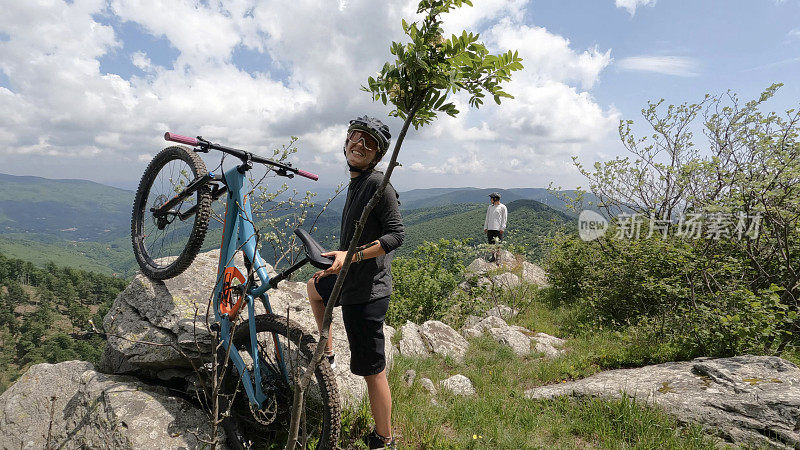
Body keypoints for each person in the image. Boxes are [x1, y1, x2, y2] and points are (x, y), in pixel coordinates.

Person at [306, 115, 403, 449]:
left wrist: (351, 257)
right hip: (346, 279)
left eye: (369, 142)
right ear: (346, 141)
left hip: (366, 292)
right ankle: (327, 352)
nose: (359, 145)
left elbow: (396, 235)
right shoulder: (356, 183)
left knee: (372, 371)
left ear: (377, 155)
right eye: (355, 137)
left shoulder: (379, 185)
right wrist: (336, 262)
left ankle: (384, 438)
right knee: (313, 288)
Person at [483, 192, 507, 262]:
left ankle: (498, 257)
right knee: (491, 244)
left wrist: (502, 228)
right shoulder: (490, 207)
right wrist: (485, 227)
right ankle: (493, 257)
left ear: (495, 199)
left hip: (498, 229)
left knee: (498, 243)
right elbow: (487, 217)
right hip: (490, 228)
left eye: (491, 198)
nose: (490, 200)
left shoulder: (503, 207)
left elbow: (504, 218)